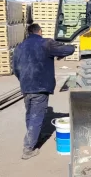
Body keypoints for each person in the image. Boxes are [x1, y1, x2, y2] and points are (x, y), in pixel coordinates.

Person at [13, 23, 75, 160]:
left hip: (26, 86)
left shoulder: (19, 47)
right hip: (40, 87)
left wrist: (23, 80)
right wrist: (73, 46)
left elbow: (15, 69)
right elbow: (67, 50)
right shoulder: (45, 43)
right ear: (39, 31)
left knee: (30, 114)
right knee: (37, 115)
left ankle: (33, 136)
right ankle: (28, 149)